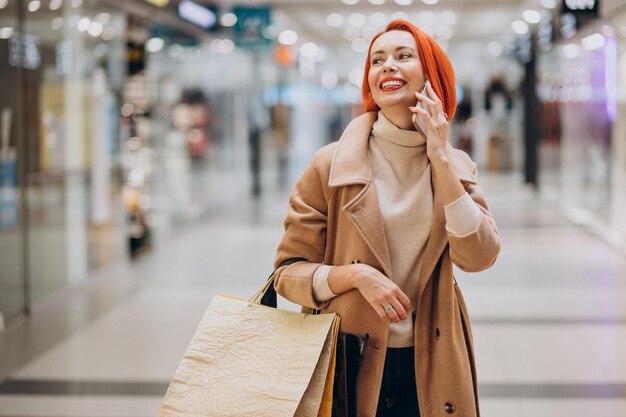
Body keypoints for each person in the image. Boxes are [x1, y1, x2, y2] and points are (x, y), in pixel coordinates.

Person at [273, 20, 500, 417]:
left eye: (403, 56)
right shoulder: (331, 165)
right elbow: (287, 275)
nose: (387, 66)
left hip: (435, 359)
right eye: (377, 60)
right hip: (349, 359)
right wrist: (356, 277)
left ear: (432, 78)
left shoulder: (457, 166)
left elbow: (478, 257)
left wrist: (442, 161)